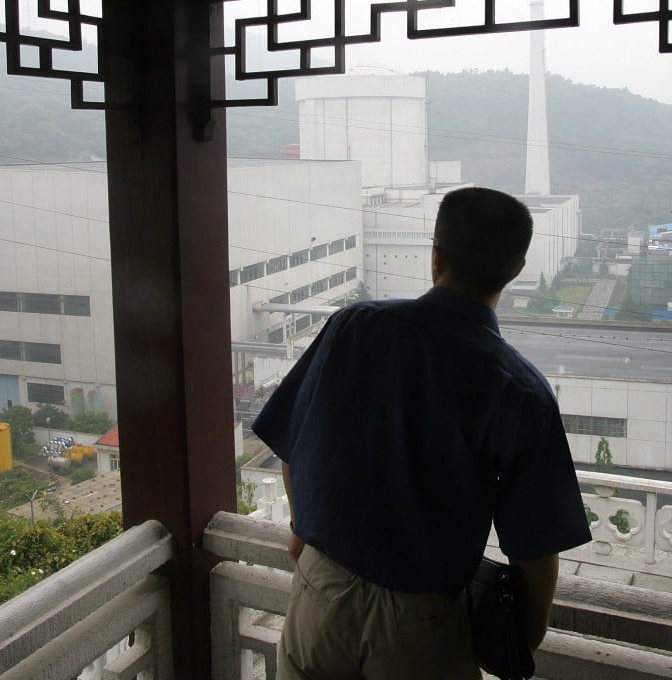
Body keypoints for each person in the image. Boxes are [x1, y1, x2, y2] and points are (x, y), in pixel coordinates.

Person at [252, 187, 592, 679]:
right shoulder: (519, 391)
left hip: (319, 595)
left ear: (435, 256)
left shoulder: (354, 327)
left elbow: (292, 445)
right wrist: (516, 640)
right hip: (421, 625)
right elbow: (536, 553)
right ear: (517, 270)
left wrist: (306, 535)